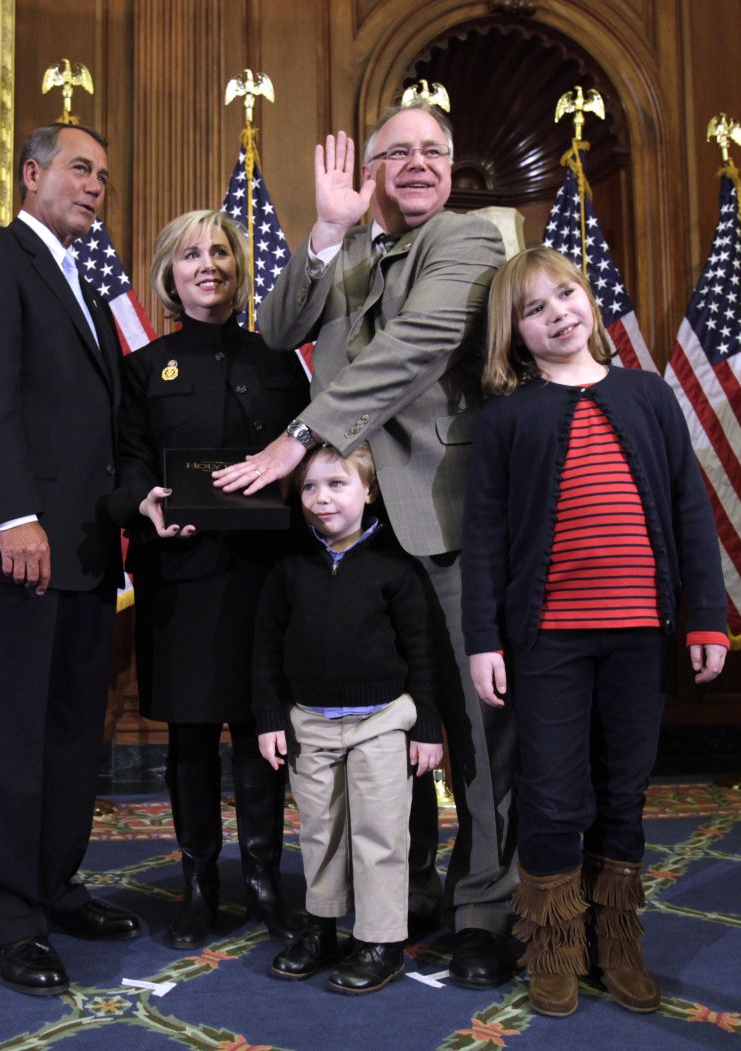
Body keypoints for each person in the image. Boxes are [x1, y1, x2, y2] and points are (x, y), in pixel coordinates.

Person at [213, 103, 517, 987]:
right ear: (373, 168)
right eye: (399, 153)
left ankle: (484, 909)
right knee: (389, 720)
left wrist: (303, 436)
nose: (417, 164)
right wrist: (326, 233)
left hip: (446, 518)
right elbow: (274, 332)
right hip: (354, 534)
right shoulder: (352, 246)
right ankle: (404, 891)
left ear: (452, 168)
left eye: (434, 151)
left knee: (469, 725)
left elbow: (420, 344)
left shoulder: (469, 241)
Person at [460, 247, 730, 1017]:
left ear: (591, 300)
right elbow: (484, 535)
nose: (558, 314)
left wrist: (706, 617)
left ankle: (618, 940)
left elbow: (690, 512)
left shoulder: (648, 395)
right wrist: (485, 638)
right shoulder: (509, 415)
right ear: (513, 334)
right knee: (550, 794)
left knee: (625, 790)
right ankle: (552, 943)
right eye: (535, 309)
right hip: (548, 640)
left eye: (567, 295)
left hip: (641, 633)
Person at [0, 122, 139, 997]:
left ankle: (55, 886)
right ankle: (12, 920)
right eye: (79, 168)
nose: (95, 185)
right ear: (31, 175)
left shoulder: (85, 288)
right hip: (13, 547)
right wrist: (17, 516)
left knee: (67, 740)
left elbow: (98, 426)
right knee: (14, 743)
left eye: (104, 175)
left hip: (84, 553)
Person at [106, 210, 308, 948]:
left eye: (220, 251)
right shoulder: (142, 367)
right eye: (191, 254)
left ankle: (261, 879)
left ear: (238, 266)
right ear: (170, 272)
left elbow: (309, 458)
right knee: (190, 737)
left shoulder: (279, 363)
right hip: (181, 577)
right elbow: (127, 462)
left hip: (264, 577)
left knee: (265, 732)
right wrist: (144, 501)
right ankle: (199, 883)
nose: (208, 264)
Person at [253, 444, 444, 994]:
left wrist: (426, 727)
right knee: (320, 833)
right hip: (309, 723)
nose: (322, 498)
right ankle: (321, 928)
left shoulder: (394, 564)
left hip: (381, 722)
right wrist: (270, 717)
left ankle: (380, 940)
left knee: (380, 834)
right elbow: (265, 649)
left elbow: (422, 653)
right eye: (310, 487)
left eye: (337, 484)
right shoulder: (289, 567)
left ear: (370, 491)